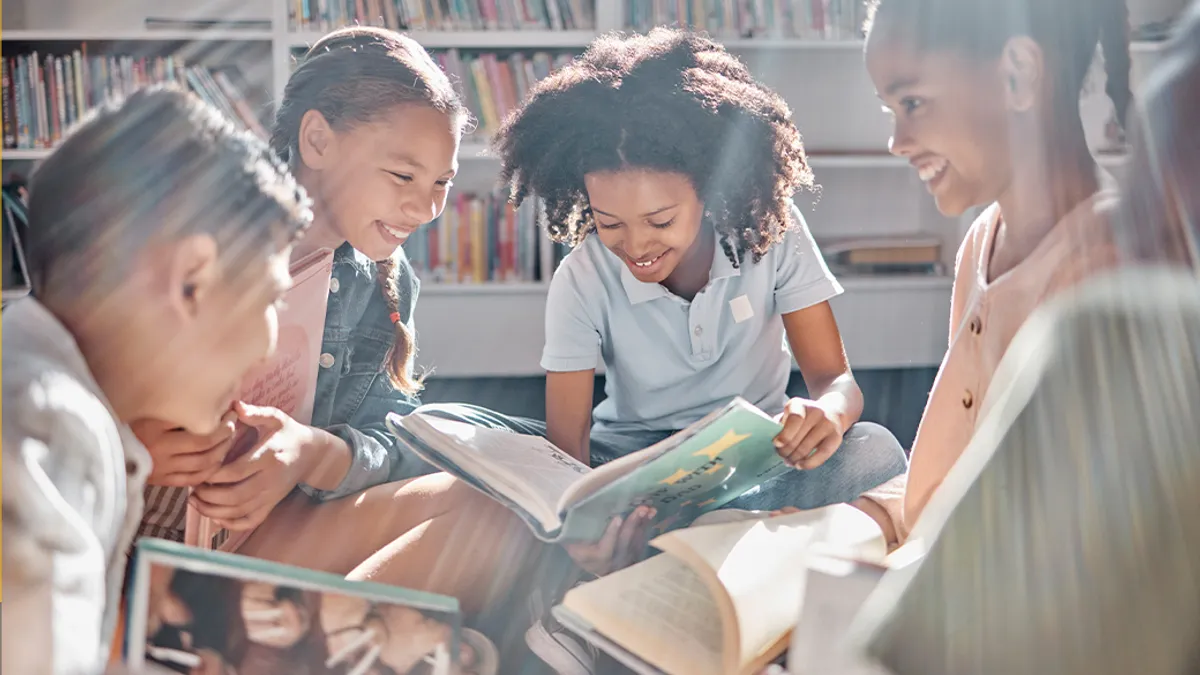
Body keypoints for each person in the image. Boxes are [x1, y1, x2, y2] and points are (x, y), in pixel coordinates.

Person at [134, 26, 537, 628]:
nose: (426, 209)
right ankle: (212, 636)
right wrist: (129, 450)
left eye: (441, 183)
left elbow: (391, 439)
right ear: (317, 139)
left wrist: (311, 455)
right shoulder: (175, 232)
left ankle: (263, 645)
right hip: (127, 532)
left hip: (261, 534)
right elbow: (33, 377)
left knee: (500, 513)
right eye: (403, 176)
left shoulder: (382, 277)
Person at [490, 27, 909, 527]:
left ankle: (708, 528)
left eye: (660, 221)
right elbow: (568, 451)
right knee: (488, 446)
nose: (637, 246)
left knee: (875, 450)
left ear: (709, 188)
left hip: (755, 451)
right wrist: (587, 522)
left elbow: (834, 380)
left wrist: (829, 414)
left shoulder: (771, 235)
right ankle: (742, 527)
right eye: (609, 223)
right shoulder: (581, 277)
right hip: (631, 461)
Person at [1, 86, 311, 674]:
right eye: (272, 297)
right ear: (192, 280)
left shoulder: (26, 370)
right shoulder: (54, 426)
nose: (271, 341)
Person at [854, 0, 1134, 545]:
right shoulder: (983, 239)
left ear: (1018, 75)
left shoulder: (1109, 273)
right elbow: (961, 471)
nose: (896, 141)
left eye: (912, 102)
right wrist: (866, 517)